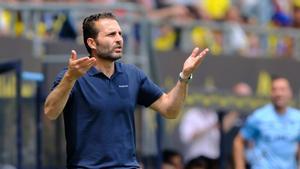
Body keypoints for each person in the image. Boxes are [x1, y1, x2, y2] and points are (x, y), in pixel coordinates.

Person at [43, 12, 209, 168]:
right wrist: (70, 78)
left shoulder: (132, 75)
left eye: (120, 34)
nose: (119, 39)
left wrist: (184, 77)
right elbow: (50, 111)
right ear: (92, 43)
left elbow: (170, 110)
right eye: (111, 34)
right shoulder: (71, 77)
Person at [233, 76, 300, 169]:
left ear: (290, 93)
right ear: (270, 93)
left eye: (283, 89)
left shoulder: (297, 117)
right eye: (274, 89)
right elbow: (238, 141)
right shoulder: (259, 116)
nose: (279, 93)